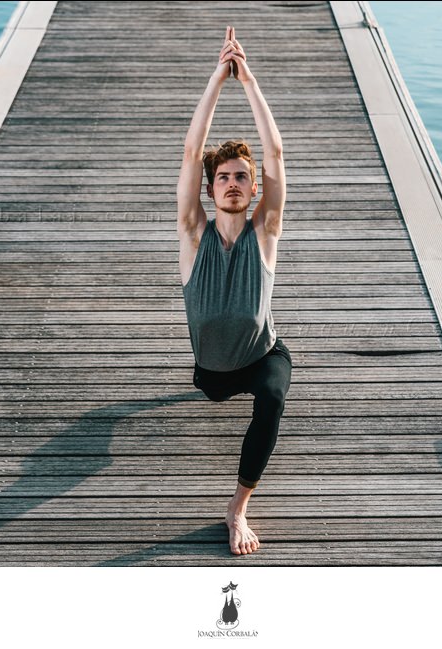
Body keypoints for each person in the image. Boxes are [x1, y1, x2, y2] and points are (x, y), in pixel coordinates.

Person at [177, 26, 291, 556]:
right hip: (211, 375)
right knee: (214, 389)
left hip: (262, 355)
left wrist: (247, 79)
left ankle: (237, 507)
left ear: (251, 189)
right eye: (223, 176)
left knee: (270, 397)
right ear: (211, 187)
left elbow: (276, 154)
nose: (233, 182)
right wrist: (215, 79)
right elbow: (189, 151)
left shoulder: (264, 233)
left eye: (242, 177)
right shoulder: (192, 234)